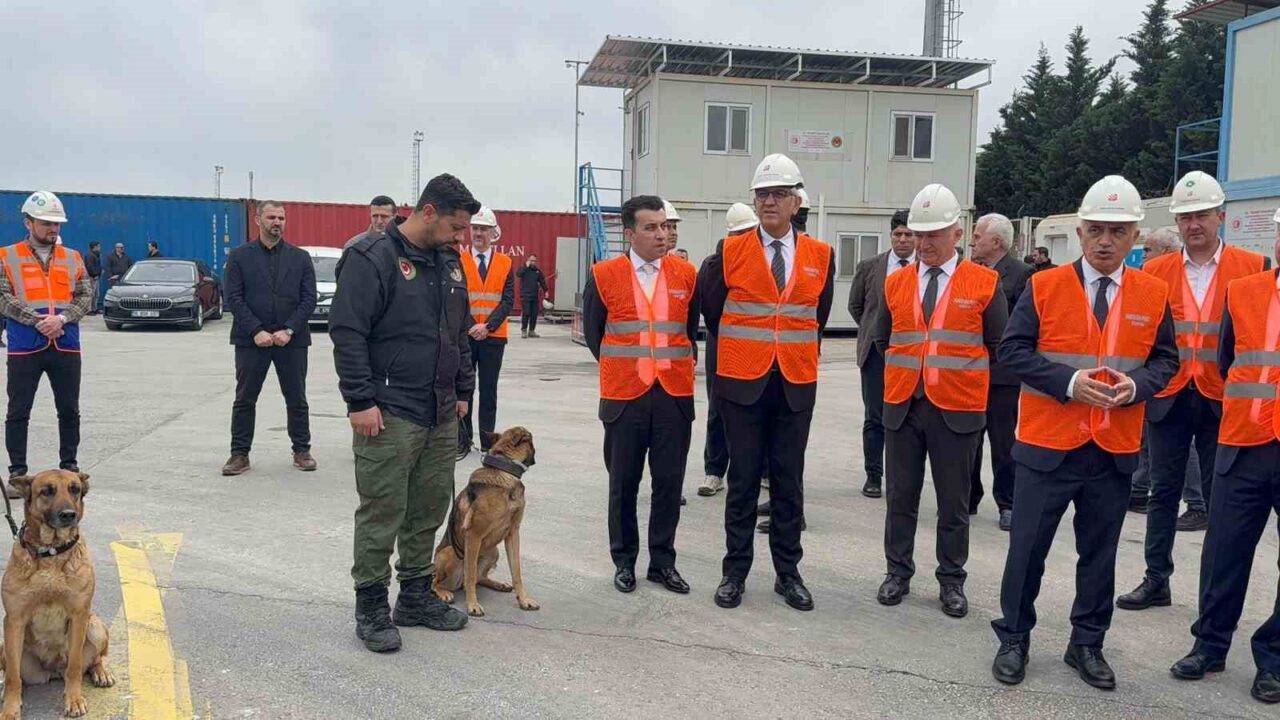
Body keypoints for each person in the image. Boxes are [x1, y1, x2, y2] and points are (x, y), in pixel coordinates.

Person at [990, 175, 1179, 690]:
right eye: (1095, 229)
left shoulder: (1153, 292)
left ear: (1135, 235)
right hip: (1047, 446)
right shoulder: (1043, 285)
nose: (1104, 241)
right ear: (1078, 231)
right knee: (1027, 550)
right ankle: (1014, 638)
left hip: (1112, 449)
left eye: (1117, 232)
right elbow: (1012, 352)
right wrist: (1069, 382)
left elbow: (1166, 360)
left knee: (1099, 554)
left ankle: (1087, 644)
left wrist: (1136, 386)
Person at [329, 173, 479, 653]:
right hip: (389, 410)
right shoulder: (371, 258)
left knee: (428, 508)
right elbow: (348, 331)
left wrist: (462, 391)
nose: (462, 238)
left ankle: (414, 596)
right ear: (427, 212)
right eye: (456, 227)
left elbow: (459, 331)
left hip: (438, 409)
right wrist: (360, 400)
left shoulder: (449, 261)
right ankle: (371, 605)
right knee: (382, 510)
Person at [1117, 171, 1268, 613]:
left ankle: (1213, 593)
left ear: (1220, 216)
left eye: (1201, 215)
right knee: (1163, 490)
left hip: (1225, 399)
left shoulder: (1253, 268)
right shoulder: (1154, 271)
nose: (1193, 225)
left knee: (1220, 500)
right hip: (1170, 393)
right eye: (1184, 217)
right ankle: (1155, 578)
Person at [701, 153, 835, 612]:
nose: (769, 202)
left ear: (797, 202)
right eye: (762, 194)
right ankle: (734, 572)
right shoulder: (730, 251)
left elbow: (815, 318)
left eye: (779, 194)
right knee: (741, 481)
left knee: (788, 482)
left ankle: (788, 573)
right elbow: (713, 312)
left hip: (795, 383)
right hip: (743, 384)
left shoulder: (821, 256)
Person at [871, 185, 1008, 618]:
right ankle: (898, 572)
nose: (925, 243)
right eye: (919, 234)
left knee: (953, 502)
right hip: (904, 405)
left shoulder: (984, 283)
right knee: (901, 498)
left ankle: (951, 580)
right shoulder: (895, 284)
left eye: (935, 234)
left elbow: (998, 343)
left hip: (957, 409)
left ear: (958, 232)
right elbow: (881, 337)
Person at [1169, 206, 1280, 705]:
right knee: (1224, 553)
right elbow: (1227, 357)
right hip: (1243, 443)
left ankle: (1273, 658)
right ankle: (1209, 644)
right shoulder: (1245, 291)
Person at [584, 195, 699, 596]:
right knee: (624, 484)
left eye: (665, 226)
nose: (661, 234)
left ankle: (662, 563)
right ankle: (624, 562)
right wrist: (626, 369)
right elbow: (596, 336)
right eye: (651, 227)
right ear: (630, 233)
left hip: (673, 395)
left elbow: (689, 331)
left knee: (669, 483)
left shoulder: (687, 274)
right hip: (625, 396)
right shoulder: (603, 274)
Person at [0, 191, 92, 500]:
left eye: (56, 224)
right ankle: (18, 474)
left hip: (65, 345)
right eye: (46, 223)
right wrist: (37, 320)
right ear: (28, 222)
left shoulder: (73, 257)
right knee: (18, 411)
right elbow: (3, 297)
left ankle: (70, 467)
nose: (53, 229)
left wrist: (62, 319)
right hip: (25, 346)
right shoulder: (7, 256)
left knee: (68, 409)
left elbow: (84, 296)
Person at [220, 201, 318, 476]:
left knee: (296, 397)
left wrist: (289, 329)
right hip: (252, 340)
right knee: (245, 398)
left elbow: (309, 298)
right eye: (272, 217)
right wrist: (256, 331)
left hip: (292, 341)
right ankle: (239, 454)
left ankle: (302, 449)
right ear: (258, 220)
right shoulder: (240, 256)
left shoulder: (300, 258)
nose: (277, 222)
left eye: (282, 218)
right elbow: (234, 298)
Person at [1129, 227, 1210, 523]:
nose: (1144, 255)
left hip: (1197, 386)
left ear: (1165, 251)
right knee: (1150, 446)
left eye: (1149, 249)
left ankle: (1197, 503)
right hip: (1161, 385)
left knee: (1184, 450)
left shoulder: (1173, 279)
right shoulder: (1153, 278)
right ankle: (1139, 489)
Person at [966, 213, 1033, 529]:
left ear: (996, 242)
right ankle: (968, 497)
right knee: (968, 438)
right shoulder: (970, 273)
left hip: (1002, 375)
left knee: (1003, 440)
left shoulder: (1021, 275)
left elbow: (1025, 327)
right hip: (969, 371)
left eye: (977, 236)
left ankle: (1008, 502)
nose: (971, 241)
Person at [849, 210, 917, 499]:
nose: (903, 239)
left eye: (908, 234)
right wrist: (874, 333)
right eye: (898, 234)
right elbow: (856, 306)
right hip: (876, 355)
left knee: (908, 419)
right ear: (891, 236)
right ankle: (873, 475)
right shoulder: (870, 267)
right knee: (874, 416)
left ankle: (904, 477)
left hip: (912, 353)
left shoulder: (926, 269)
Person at [697, 203, 758, 497]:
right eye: (742, 233)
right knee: (719, 408)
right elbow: (709, 308)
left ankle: (760, 471)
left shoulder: (764, 261)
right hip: (722, 344)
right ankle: (715, 471)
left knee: (758, 412)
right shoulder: (714, 264)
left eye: (751, 232)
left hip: (757, 347)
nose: (748, 237)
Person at [457, 207, 515, 458]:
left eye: (483, 229)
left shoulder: (506, 263)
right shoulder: (457, 260)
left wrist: (488, 326)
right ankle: (463, 439)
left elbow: (507, 300)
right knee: (463, 389)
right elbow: (456, 297)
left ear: (493, 233)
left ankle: (486, 442)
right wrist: (472, 325)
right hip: (465, 335)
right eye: (475, 228)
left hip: (494, 337)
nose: (478, 233)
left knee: (489, 391)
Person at [517, 254, 549, 338]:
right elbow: (518, 274)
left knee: (534, 314)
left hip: (534, 295)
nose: (533, 262)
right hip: (525, 295)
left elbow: (542, 281)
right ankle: (524, 330)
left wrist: (546, 290)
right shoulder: (524, 269)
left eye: (534, 261)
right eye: (531, 260)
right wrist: (525, 266)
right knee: (526, 313)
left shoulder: (537, 271)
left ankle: (531, 331)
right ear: (528, 260)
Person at [84, 241, 103, 317]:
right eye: (98, 246)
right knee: (90, 294)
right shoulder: (89, 256)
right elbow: (89, 266)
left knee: (96, 294)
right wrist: (94, 274)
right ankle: (89, 310)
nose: (100, 248)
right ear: (94, 247)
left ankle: (94, 308)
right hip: (91, 277)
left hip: (96, 277)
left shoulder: (96, 255)